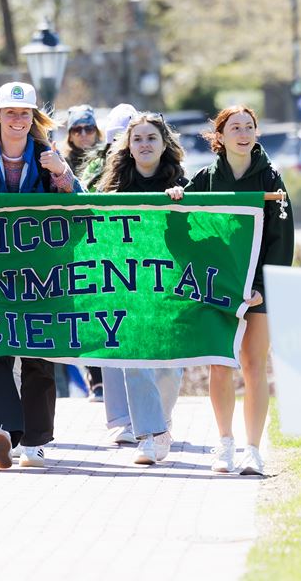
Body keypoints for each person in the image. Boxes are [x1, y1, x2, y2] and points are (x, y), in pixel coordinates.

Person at [0, 81, 81, 470]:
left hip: (42, 271)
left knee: (39, 350)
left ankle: (36, 442)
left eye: (25, 113)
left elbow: (81, 202)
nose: (18, 120)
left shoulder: (50, 155)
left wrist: (62, 175)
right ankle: (2, 430)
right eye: (11, 113)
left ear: (34, 119)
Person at [181, 105, 294, 476]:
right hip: (219, 289)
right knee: (220, 364)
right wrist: (175, 197)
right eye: (235, 127)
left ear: (256, 133)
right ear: (221, 136)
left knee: (253, 365)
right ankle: (225, 444)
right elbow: (179, 227)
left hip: (257, 291)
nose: (243, 133)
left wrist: (262, 287)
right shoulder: (205, 179)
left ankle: (253, 450)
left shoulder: (272, 179)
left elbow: (281, 241)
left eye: (249, 127)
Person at [94, 112, 189, 465]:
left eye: (151, 138)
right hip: (128, 286)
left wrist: (183, 201)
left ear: (164, 144)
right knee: (135, 360)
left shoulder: (184, 184)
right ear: (129, 147)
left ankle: (161, 423)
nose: (145, 144)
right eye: (138, 139)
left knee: (169, 368)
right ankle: (149, 434)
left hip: (171, 287)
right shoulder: (113, 189)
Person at [79, 103, 138, 190]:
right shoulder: (96, 166)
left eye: (129, 139)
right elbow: (84, 198)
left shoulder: (143, 165)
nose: (122, 145)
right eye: (116, 139)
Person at [62, 105, 102, 178]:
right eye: (77, 130)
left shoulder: (106, 160)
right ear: (70, 137)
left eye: (89, 129)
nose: (83, 134)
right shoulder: (63, 164)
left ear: (97, 133)